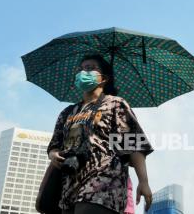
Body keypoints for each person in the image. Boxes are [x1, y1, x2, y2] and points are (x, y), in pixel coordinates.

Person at [47, 54, 154, 214]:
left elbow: (132, 145)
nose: (83, 72)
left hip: (104, 183)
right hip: (69, 187)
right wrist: (54, 155)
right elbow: (54, 145)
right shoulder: (68, 112)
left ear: (104, 78)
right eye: (81, 69)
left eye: (90, 68)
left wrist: (143, 181)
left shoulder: (115, 104)